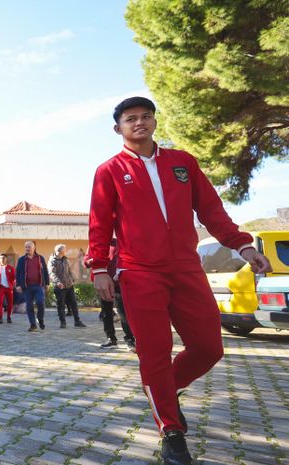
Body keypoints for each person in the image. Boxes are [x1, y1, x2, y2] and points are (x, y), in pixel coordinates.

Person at [89, 96, 272, 465]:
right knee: (154, 352)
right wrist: (98, 268)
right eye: (130, 119)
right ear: (118, 129)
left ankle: (164, 393)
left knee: (209, 348)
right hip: (139, 270)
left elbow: (211, 211)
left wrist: (243, 247)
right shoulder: (109, 170)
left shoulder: (183, 163)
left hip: (186, 268)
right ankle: (171, 431)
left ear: (155, 122)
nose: (139, 123)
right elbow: (100, 222)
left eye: (145, 117)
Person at [85, 240, 135, 351]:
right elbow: (86, 259)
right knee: (106, 312)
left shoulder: (121, 240)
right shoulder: (96, 243)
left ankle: (130, 339)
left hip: (119, 282)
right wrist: (90, 261)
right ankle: (111, 338)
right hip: (103, 283)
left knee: (123, 313)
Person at [49, 244, 86, 329]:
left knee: (74, 304)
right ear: (60, 251)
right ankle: (63, 322)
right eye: (64, 250)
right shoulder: (53, 260)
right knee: (61, 305)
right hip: (60, 287)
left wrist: (72, 278)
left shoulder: (65, 259)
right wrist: (58, 282)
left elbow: (69, 271)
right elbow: (52, 273)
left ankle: (77, 321)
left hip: (69, 285)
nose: (66, 251)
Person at [15, 241, 49, 332]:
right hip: (27, 287)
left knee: (40, 302)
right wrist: (18, 285)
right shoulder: (21, 260)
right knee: (29, 306)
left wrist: (47, 284)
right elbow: (17, 273)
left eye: (29, 247)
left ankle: (40, 319)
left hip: (39, 286)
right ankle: (33, 325)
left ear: (34, 248)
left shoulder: (40, 258)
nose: (27, 248)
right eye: (26, 247)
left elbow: (45, 271)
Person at [0, 253, 16, 323]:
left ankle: (9, 317)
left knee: (10, 303)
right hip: (0, 288)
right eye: (1, 258)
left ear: (6, 259)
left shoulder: (10, 268)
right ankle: (0, 318)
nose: (2, 259)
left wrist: (15, 284)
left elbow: (14, 277)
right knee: (0, 303)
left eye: (3, 258)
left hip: (9, 288)